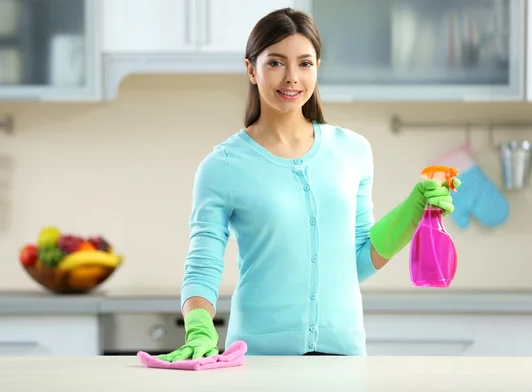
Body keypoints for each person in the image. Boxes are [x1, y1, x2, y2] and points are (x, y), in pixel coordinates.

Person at [156, 7, 460, 360]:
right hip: (259, 361)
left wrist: (413, 211)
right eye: (275, 63)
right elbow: (203, 264)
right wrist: (199, 327)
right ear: (251, 69)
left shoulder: (353, 151)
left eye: (304, 63)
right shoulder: (222, 166)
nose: (291, 78)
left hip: (344, 359)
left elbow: (358, 262)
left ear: (318, 67)